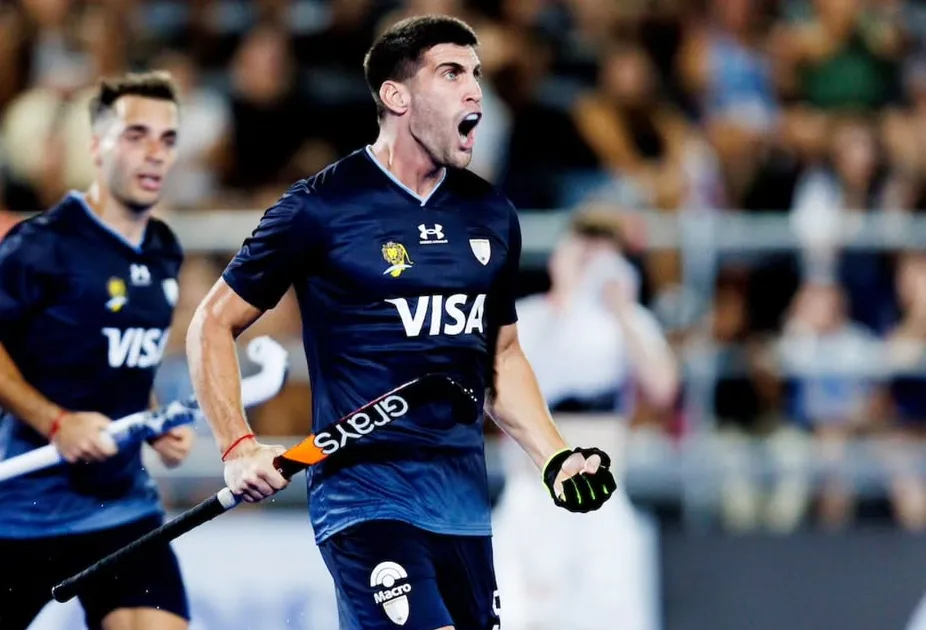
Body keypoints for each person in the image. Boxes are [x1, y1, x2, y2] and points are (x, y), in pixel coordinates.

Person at [186, 14, 617, 630]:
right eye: (451, 74)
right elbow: (211, 325)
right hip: (365, 500)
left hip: (462, 505)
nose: (474, 91)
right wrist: (237, 445)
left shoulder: (491, 215)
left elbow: (502, 358)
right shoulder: (320, 207)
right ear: (396, 96)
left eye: (476, 75)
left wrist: (554, 457)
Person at [0, 72, 194, 630]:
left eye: (167, 139)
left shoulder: (163, 248)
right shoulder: (41, 245)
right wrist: (57, 422)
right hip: (24, 510)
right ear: (96, 145)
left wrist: (151, 420)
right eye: (136, 135)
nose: (155, 153)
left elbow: (127, 360)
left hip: (121, 509)